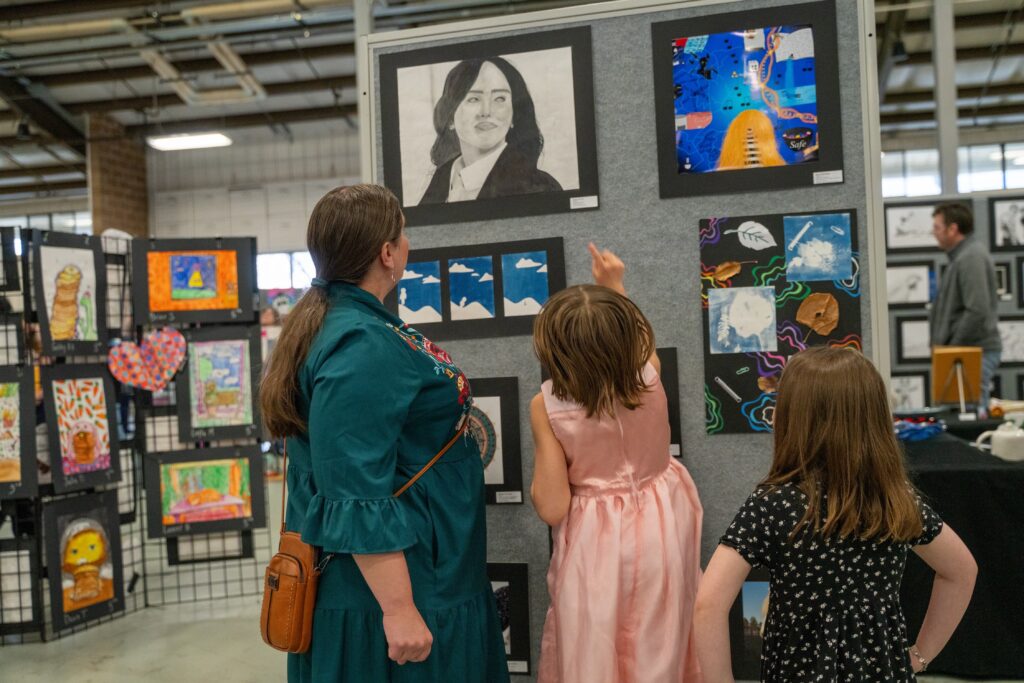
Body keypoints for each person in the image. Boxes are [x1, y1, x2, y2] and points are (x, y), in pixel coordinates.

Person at [259, 184, 508, 683]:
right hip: (397, 593)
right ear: (388, 252)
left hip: (428, 572)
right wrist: (399, 611)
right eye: (403, 235)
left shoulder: (350, 323)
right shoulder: (360, 344)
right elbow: (354, 487)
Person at [693, 347, 977, 682]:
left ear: (792, 419)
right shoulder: (892, 498)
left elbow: (708, 605)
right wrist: (919, 655)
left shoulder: (774, 503)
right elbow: (961, 571)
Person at [530, 244, 703, 682]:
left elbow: (551, 506)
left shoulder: (547, 405)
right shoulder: (647, 375)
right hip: (664, 518)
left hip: (596, 536)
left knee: (595, 635)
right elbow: (639, 338)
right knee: (664, 631)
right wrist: (615, 286)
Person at [418, 57, 562, 205]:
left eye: (499, 99)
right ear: (449, 118)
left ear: (514, 115)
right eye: (474, 99)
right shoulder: (440, 184)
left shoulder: (542, 188)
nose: (486, 112)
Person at [929, 203, 1001, 413]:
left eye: (937, 227)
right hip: (966, 352)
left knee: (968, 420)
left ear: (953, 229)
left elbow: (977, 310)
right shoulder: (963, 256)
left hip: (971, 353)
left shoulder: (970, 257)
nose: (934, 233)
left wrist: (953, 349)